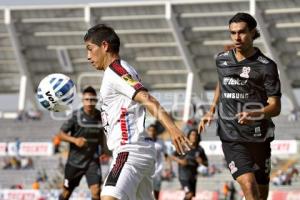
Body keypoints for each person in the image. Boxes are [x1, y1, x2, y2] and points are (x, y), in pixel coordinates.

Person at [84, 24, 191, 200]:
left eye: (90, 49)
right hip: (136, 150)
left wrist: (173, 129)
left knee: (108, 197)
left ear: (104, 46)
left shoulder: (116, 72)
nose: (88, 56)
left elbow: (147, 99)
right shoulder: (120, 69)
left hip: (129, 150)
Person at [198, 12, 281, 200]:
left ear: (252, 33)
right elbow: (222, 81)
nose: (237, 37)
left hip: (260, 137)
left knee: (260, 195)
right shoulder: (221, 59)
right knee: (249, 187)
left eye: (242, 32)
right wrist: (210, 110)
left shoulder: (266, 66)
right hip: (231, 136)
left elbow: (275, 107)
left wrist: (256, 113)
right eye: (233, 33)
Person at [57, 86, 108, 200]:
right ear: (82, 100)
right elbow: (60, 134)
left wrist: (103, 149)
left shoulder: (101, 116)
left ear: (96, 100)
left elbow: (101, 134)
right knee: (66, 193)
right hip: (74, 162)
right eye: (87, 100)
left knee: (96, 191)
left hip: (92, 162)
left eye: (92, 99)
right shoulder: (76, 116)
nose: (90, 102)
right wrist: (75, 140)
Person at [170, 129, 208, 200]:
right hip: (184, 176)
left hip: (193, 176)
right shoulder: (184, 147)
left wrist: (202, 162)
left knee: (191, 196)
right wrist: (180, 161)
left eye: (196, 135)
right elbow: (172, 156)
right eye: (192, 135)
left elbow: (206, 164)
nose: (194, 136)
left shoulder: (200, 149)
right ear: (189, 136)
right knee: (189, 194)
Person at [146, 124, 169, 200]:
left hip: (157, 171)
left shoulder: (160, 142)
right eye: (150, 130)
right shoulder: (144, 141)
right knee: (146, 191)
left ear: (156, 132)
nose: (152, 132)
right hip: (146, 171)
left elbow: (166, 156)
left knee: (156, 191)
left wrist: (168, 168)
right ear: (147, 131)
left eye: (153, 130)